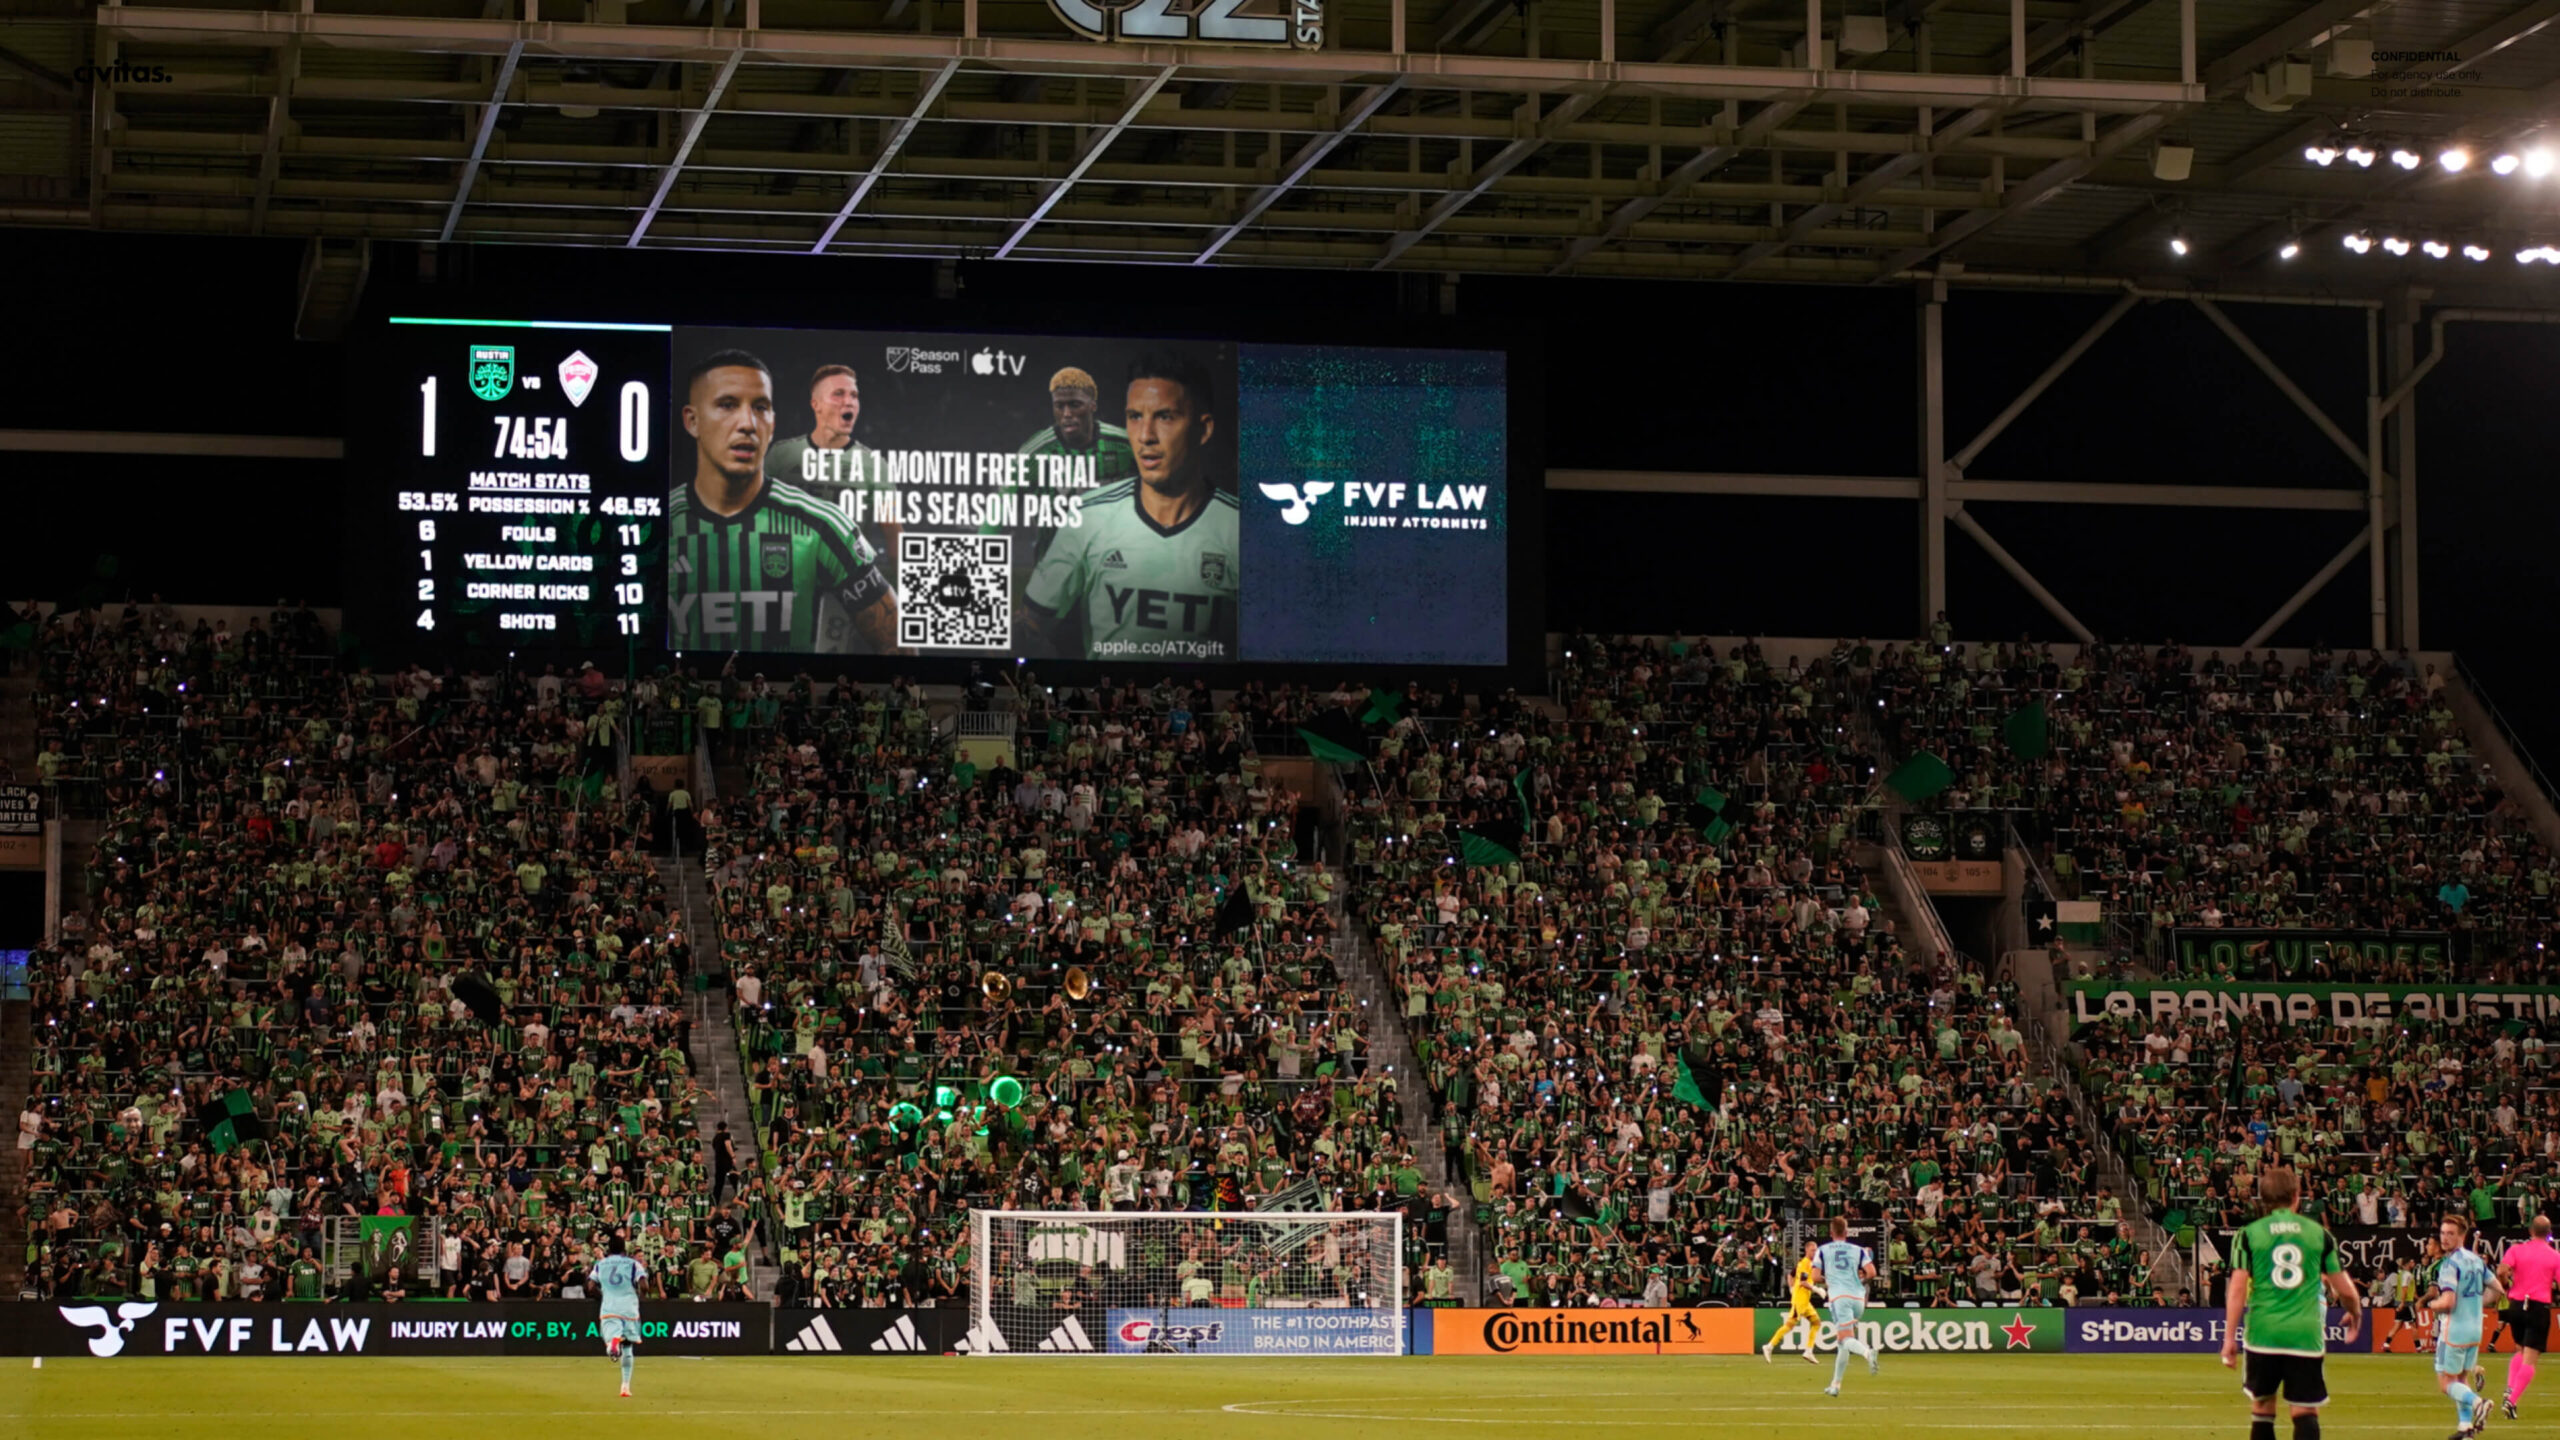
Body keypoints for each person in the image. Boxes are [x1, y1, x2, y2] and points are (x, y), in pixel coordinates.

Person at [667, 349, 902, 654]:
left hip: (843, 599)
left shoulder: (866, 476)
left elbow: (894, 537)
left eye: (761, 407)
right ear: (692, 420)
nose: (748, 423)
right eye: (727, 405)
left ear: (772, 422)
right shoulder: (781, 456)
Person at [1022, 351, 1238, 662]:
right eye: (1135, 416)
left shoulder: (1243, 532)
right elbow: (1030, 624)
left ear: (1203, 429)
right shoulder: (1087, 516)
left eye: (1165, 417)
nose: (1145, 436)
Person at [2222, 1167, 2363, 1440]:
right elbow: (2345, 1289)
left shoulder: (2247, 1235)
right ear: (2297, 1196)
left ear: (2262, 1198)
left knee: (2262, 1408)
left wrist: (2229, 1338)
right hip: (2304, 1335)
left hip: (2263, 1333)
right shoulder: (2319, 1234)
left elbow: (2237, 1289)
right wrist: (2356, 1315)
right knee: (2305, 1411)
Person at [764, 364, 893, 552]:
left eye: (854, 395)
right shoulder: (781, 455)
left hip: (849, 577)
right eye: (838, 394)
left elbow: (894, 535)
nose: (849, 402)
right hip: (787, 574)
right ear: (816, 404)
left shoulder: (874, 464)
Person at [2435, 1213, 2506, 1438]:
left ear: (2462, 1235)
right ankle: (2465, 1428)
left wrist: (2432, 1304)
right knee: (2462, 1379)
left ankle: (2478, 1403)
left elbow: (2448, 1302)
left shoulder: (2449, 1264)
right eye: (2442, 1233)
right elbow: (2498, 1290)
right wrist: (2477, 1303)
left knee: (2446, 1384)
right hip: (2475, 1329)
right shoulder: (2476, 1260)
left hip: (2455, 1329)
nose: (2444, 1238)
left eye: (2450, 1234)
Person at [2502, 1215, 2560, 1419]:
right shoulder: (2554, 1256)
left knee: (2520, 1348)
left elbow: (2502, 1269)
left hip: (2516, 1305)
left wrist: (2507, 1282)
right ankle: (2512, 1401)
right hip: (2538, 1306)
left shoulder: (2517, 1249)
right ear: (2549, 1234)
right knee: (2531, 1358)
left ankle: (2509, 1389)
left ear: (2530, 1231)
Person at [1815, 1216, 1879, 1397]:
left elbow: (1814, 1277)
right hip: (1859, 1298)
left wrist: (1828, 1280)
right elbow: (1872, 1273)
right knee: (1842, 1343)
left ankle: (1867, 1353)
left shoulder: (1823, 1250)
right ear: (1846, 1232)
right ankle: (1835, 1385)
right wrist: (1859, 1280)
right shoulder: (1858, 1250)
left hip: (1840, 1297)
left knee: (1845, 1339)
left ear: (1831, 1232)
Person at [591, 1232, 651, 1399]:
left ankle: (612, 1344)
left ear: (608, 1248)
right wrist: (640, 1296)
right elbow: (644, 1285)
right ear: (624, 1248)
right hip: (629, 1309)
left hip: (609, 1307)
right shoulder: (633, 1264)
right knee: (628, 1348)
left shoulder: (600, 1264)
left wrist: (603, 1295)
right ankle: (625, 1387)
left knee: (611, 1341)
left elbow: (589, 1286)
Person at [1763, 1239, 1825, 1366]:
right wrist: (1816, 1289)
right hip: (1800, 1300)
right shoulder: (1806, 1263)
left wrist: (1791, 1288)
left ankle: (1808, 1351)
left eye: (1816, 1250)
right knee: (1790, 1325)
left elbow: (1790, 1275)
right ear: (1807, 1250)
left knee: (1816, 1323)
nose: (1815, 1252)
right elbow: (1803, 1282)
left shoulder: (1807, 1264)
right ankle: (1769, 1346)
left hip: (1805, 1300)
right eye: (1813, 1250)